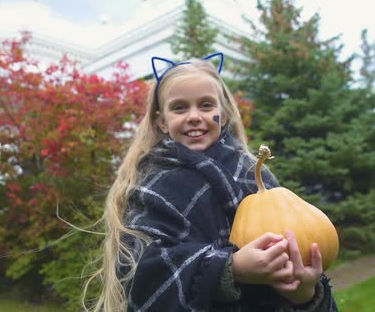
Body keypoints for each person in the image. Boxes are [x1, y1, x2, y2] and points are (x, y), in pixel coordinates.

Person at [90, 52, 339, 311]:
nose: (195, 116)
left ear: (225, 114)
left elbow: (298, 245)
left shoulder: (253, 173)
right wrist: (232, 268)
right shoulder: (152, 186)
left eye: (206, 105)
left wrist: (305, 294)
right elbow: (144, 274)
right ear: (162, 122)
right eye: (179, 107)